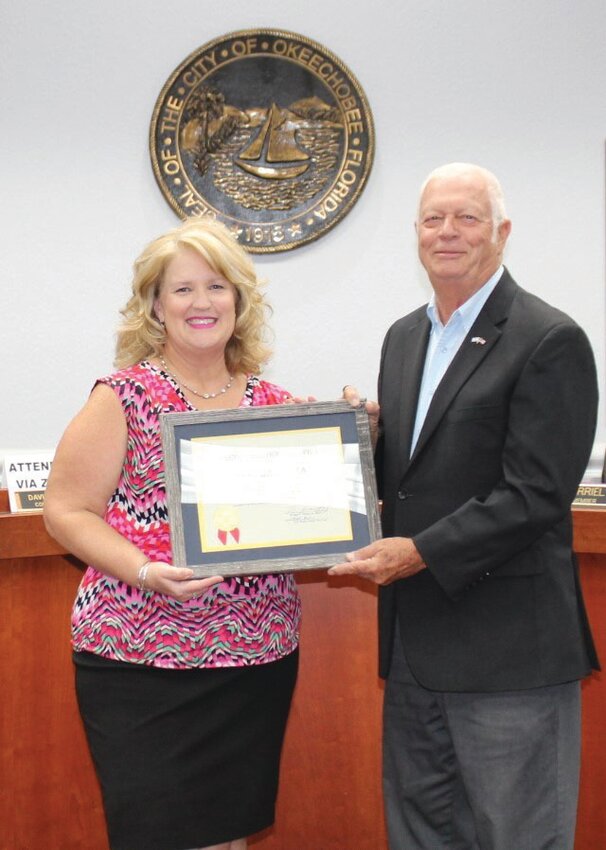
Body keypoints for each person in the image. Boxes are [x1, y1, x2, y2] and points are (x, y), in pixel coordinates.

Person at [331, 162, 599, 850]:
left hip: (508, 653)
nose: (447, 232)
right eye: (433, 219)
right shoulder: (404, 338)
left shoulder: (548, 338)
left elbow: (536, 492)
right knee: (420, 835)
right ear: (416, 234)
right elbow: (422, 473)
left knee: (518, 836)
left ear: (502, 233)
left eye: (467, 218)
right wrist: (368, 436)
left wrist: (419, 551)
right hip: (416, 649)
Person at [43, 216, 302, 850]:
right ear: (155, 305)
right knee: (159, 834)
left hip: (253, 659)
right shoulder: (122, 397)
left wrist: (359, 434)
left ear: (239, 301)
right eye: (182, 289)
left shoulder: (278, 406)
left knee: (227, 835)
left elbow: (314, 512)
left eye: (217, 287)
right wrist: (144, 569)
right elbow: (67, 510)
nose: (201, 303)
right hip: (138, 661)